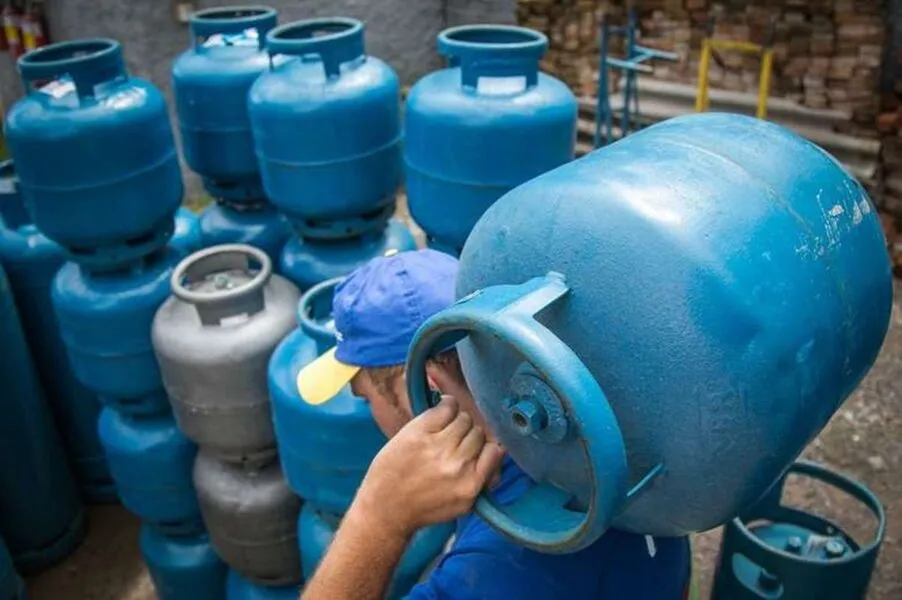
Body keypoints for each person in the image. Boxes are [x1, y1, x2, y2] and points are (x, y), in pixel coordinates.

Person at [296, 249, 692, 600]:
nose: (369, 413)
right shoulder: (603, 427)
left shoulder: (501, 569)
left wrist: (378, 519)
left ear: (430, 389)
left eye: (367, 397)